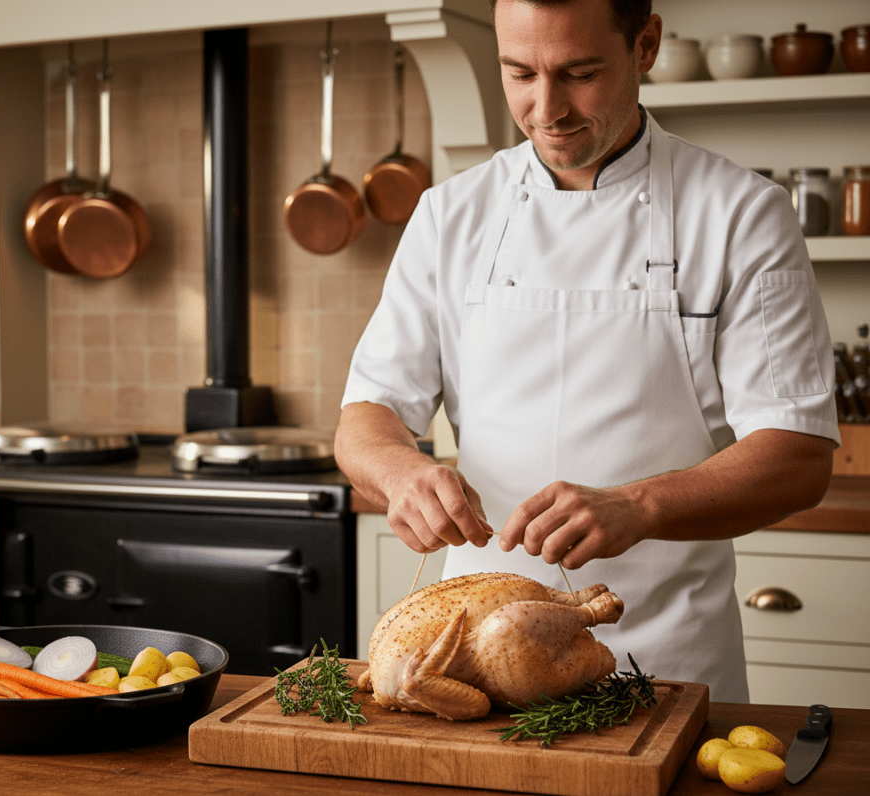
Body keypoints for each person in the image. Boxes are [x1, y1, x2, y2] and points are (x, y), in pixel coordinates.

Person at [334, 0, 839, 703]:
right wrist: (401, 474)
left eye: (579, 73)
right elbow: (367, 415)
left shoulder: (740, 215)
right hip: (472, 659)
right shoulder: (450, 215)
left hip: (666, 656)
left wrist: (641, 505)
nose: (547, 108)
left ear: (647, 45)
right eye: (519, 73)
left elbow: (799, 456)